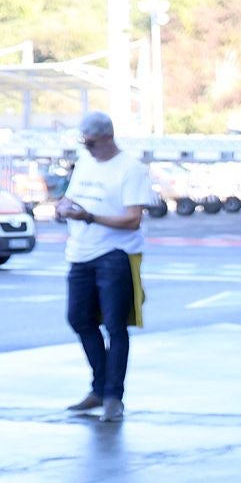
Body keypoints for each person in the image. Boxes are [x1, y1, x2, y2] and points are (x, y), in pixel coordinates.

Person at [56, 111, 152, 423]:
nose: (88, 148)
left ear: (108, 137)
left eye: (92, 143)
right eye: (84, 143)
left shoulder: (130, 169)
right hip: (80, 252)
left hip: (115, 253)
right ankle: (99, 388)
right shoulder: (85, 163)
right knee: (79, 319)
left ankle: (113, 396)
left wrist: (90, 217)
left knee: (115, 326)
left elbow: (132, 219)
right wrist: (63, 208)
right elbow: (71, 198)